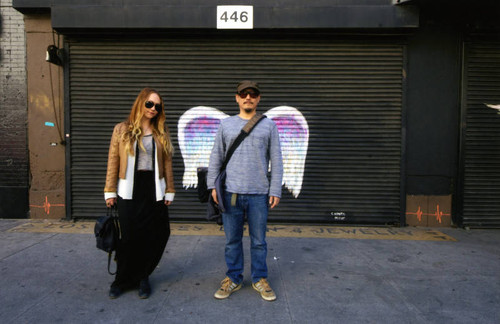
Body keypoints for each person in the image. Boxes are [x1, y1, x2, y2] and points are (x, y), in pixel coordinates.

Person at [207, 80, 283, 301]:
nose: (248, 97)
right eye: (244, 94)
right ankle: (234, 277)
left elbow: (276, 160)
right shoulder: (226, 125)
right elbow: (216, 156)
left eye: (252, 94)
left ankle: (260, 278)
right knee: (232, 240)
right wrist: (213, 185)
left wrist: (275, 189)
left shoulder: (269, 126)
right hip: (231, 193)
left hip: (259, 194)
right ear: (237, 98)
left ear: (258, 98)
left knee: (259, 241)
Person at [104, 87, 175, 299]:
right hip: (128, 188)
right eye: (149, 104)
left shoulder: (161, 130)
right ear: (141, 103)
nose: (153, 109)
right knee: (129, 237)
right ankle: (122, 280)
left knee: (158, 233)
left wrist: (170, 190)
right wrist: (109, 190)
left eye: (157, 106)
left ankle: (143, 275)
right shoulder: (121, 129)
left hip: (153, 188)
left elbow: (168, 163)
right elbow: (113, 160)